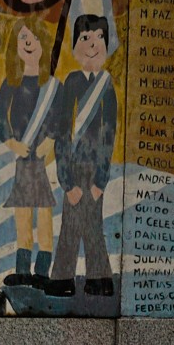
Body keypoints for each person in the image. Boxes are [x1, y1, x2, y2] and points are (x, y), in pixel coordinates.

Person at [44, 15, 116, 298]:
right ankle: (62, 277)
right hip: (73, 165)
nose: (92, 44)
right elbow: (62, 131)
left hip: (95, 165)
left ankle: (99, 277)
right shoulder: (71, 82)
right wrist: (65, 179)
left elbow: (109, 134)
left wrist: (101, 179)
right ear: (75, 45)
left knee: (93, 222)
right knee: (71, 222)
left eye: (99, 37)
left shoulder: (107, 85)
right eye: (85, 37)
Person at [0, 19, 57, 288]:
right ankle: (22, 270)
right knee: (22, 214)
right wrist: (11, 142)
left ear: (44, 45)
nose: (28, 42)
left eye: (33, 37)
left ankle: (42, 271)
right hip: (23, 157)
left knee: (43, 214)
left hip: (43, 160)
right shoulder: (11, 83)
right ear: (15, 47)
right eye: (22, 38)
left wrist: (51, 142)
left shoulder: (54, 86)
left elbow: (63, 119)